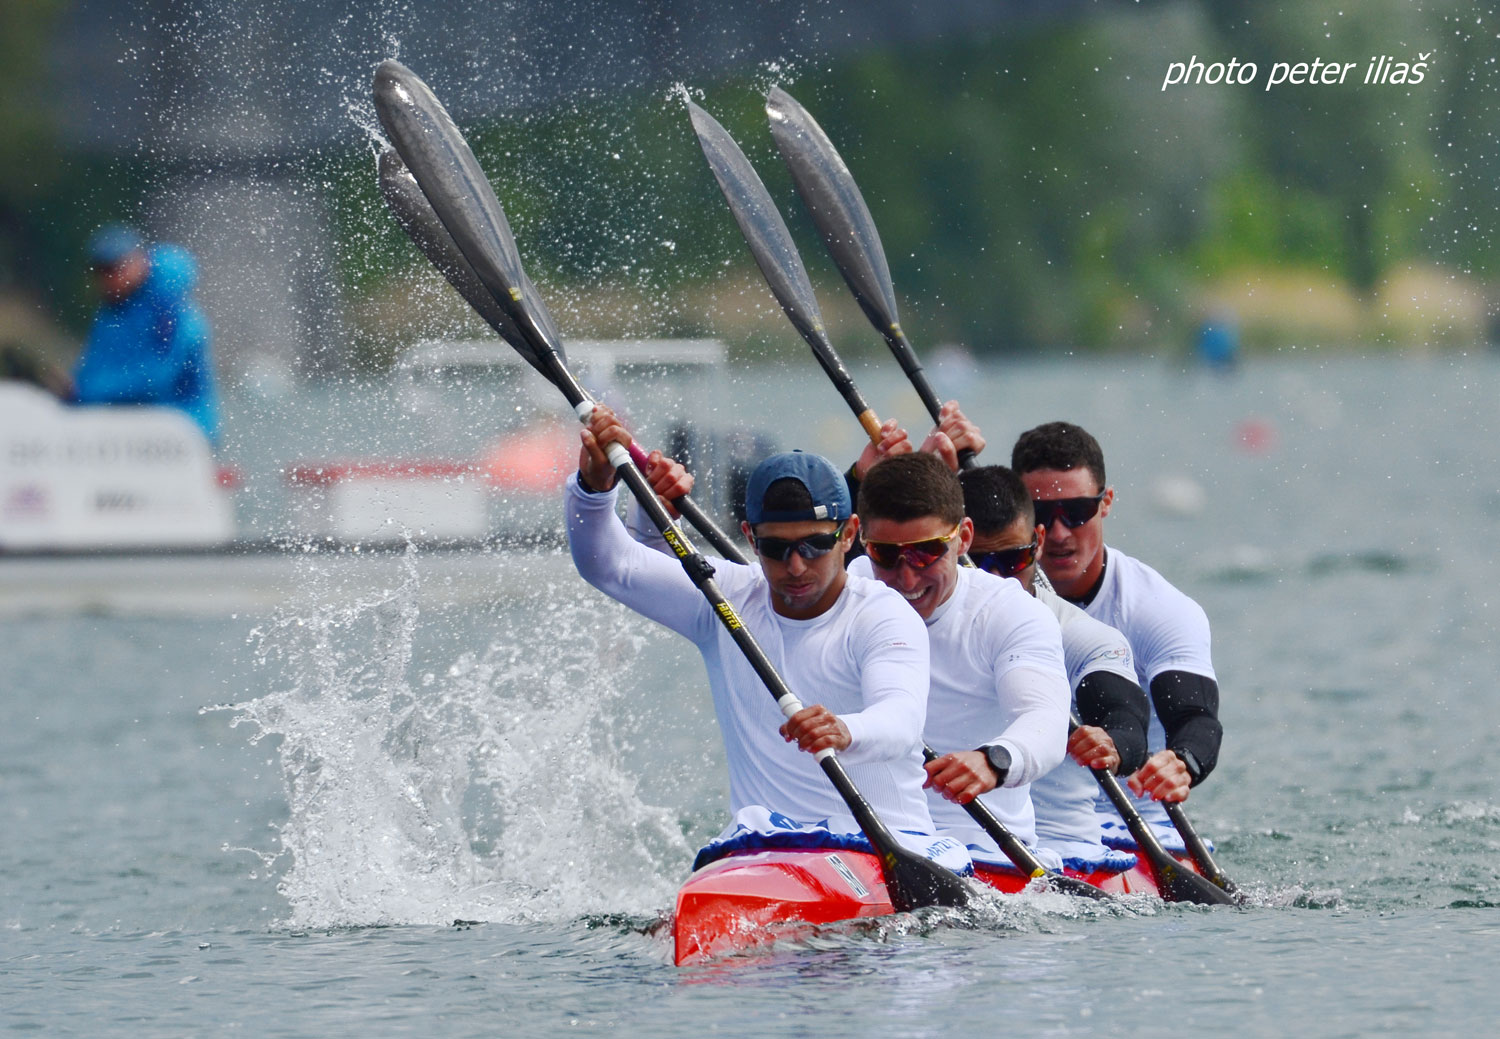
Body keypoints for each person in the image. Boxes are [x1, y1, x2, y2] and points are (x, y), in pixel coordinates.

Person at [565, 404, 968, 872]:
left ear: (849, 534)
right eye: (776, 549)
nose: (795, 566)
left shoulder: (884, 615)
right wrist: (594, 487)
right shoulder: (721, 597)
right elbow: (608, 564)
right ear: (750, 539)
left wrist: (846, 729)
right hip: (768, 849)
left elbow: (900, 722)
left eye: (814, 545)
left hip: (883, 847)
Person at [845, 451, 1071, 872]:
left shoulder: (1008, 611)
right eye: (885, 554)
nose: (907, 578)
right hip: (859, 841)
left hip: (983, 852)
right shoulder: (842, 592)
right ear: (861, 541)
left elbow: (1046, 720)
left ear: (963, 538)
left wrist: (993, 760)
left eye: (927, 552)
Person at [1011, 421, 1221, 851]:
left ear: (1105, 503)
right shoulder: (982, 589)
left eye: (1076, 511)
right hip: (1020, 817)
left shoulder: (1157, 609)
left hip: (1132, 826)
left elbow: (1195, 719)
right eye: (1042, 515)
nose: (1059, 534)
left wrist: (1182, 762)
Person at [959, 464, 1151, 871]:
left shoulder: (1081, 635)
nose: (998, 582)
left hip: (1060, 848)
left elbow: (1128, 720)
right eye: (978, 564)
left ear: (1038, 543)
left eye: (1013, 560)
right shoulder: (910, 618)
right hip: (945, 838)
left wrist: (1114, 741)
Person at [71, 224, 220, 443]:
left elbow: (158, 377)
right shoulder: (112, 311)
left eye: (113, 269)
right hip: (135, 430)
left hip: (183, 428)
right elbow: (95, 363)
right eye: (99, 271)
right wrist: (73, 390)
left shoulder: (168, 306)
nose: (107, 279)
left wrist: (87, 391)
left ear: (138, 261)